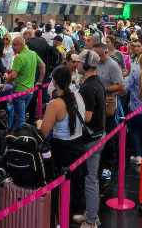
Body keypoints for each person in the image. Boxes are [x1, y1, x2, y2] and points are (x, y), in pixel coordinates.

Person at [36, 66, 87, 214]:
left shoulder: (55, 104)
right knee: (76, 183)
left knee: (61, 185)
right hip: (78, 144)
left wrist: (39, 124)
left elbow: (44, 132)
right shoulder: (78, 96)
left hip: (61, 149)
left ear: (55, 82)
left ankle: (61, 214)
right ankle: (73, 211)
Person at [73, 49, 106, 228]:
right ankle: (90, 214)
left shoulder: (87, 87)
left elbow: (87, 117)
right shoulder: (96, 82)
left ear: (85, 65)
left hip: (92, 138)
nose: (76, 64)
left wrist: (73, 106)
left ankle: (92, 220)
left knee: (91, 179)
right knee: (91, 178)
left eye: (79, 62)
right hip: (99, 134)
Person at [92, 42, 125, 180]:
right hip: (96, 105)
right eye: (95, 55)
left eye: (98, 55)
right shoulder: (95, 64)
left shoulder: (112, 65)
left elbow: (120, 86)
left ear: (106, 52)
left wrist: (103, 89)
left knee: (110, 136)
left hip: (108, 106)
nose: (97, 57)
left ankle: (109, 166)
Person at [6, 36, 45, 130]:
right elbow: (43, 66)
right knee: (18, 115)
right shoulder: (33, 53)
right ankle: (13, 134)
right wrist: (39, 81)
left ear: (21, 45)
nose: (13, 48)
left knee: (20, 118)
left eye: (14, 45)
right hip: (30, 91)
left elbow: (13, 76)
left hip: (19, 92)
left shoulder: (19, 57)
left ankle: (19, 139)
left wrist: (7, 79)